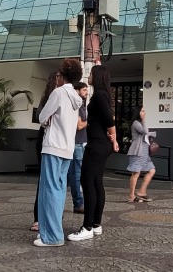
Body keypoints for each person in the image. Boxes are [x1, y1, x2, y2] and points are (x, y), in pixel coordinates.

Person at [34, 58, 83, 247]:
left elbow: (42, 117)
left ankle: (52, 236)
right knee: (59, 190)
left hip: (53, 146)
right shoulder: (76, 98)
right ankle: (49, 233)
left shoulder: (58, 93)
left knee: (49, 191)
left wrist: (47, 121)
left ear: (62, 75)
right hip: (67, 149)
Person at [68, 65, 119, 242]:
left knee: (87, 182)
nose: (88, 76)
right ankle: (96, 225)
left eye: (91, 74)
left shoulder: (99, 95)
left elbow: (108, 118)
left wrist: (114, 138)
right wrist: (112, 138)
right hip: (100, 144)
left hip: (97, 145)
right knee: (96, 183)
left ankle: (87, 227)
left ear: (97, 77)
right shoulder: (103, 95)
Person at [30, 71, 62, 233]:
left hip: (60, 141)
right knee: (44, 179)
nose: (61, 80)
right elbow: (41, 116)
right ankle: (38, 217)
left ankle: (53, 216)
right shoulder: (48, 96)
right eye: (58, 77)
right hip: (46, 140)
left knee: (57, 181)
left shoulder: (65, 94)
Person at [126, 106, 156, 202]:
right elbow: (145, 131)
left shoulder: (140, 123)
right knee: (136, 173)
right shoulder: (136, 123)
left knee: (152, 170)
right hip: (137, 152)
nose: (144, 113)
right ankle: (131, 196)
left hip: (144, 152)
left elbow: (145, 133)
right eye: (142, 111)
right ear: (138, 112)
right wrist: (144, 121)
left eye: (144, 111)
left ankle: (142, 192)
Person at [68, 81, 88, 214]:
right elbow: (79, 126)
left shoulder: (82, 105)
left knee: (77, 174)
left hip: (81, 142)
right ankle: (78, 203)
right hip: (77, 143)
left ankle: (79, 202)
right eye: (84, 90)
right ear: (77, 90)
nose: (87, 93)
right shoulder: (77, 105)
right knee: (76, 174)